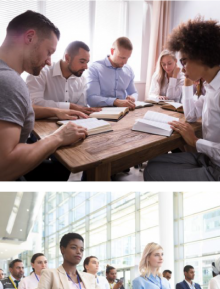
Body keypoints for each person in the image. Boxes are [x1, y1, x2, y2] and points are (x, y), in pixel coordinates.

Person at [144, 16, 220, 183]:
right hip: (214, 160)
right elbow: (190, 115)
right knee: (154, 163)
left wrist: (196, 142)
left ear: (201, 57)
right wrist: (186, 82)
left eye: (184, 62)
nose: (182, 68)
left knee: (152, 172)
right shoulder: (213, 87)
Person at [0, 10, 89, 183]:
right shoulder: (10, 82)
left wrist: (56, 112)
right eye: (49, 52)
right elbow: (3, 167)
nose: (49, 61)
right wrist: (58, 137)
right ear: (30, 37)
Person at [26, 41, 101, 116]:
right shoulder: (41, 72)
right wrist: (69, 106)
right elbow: (33, 103)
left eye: (87, 62)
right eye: (82, 62)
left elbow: (81, 107)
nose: (86, 67)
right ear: (67, 58)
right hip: (42, 124)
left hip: (72, 122)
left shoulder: (82, 79)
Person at [86, 37, 138, 109]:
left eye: (127, 58)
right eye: (122, 58)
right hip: (101, 112)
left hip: (124, 112)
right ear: (112, 51)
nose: (125, 62)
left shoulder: (128, 70)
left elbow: (134, 92)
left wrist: (133, 97)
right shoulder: (95, 68)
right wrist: (115, 102)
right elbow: (91, 99)